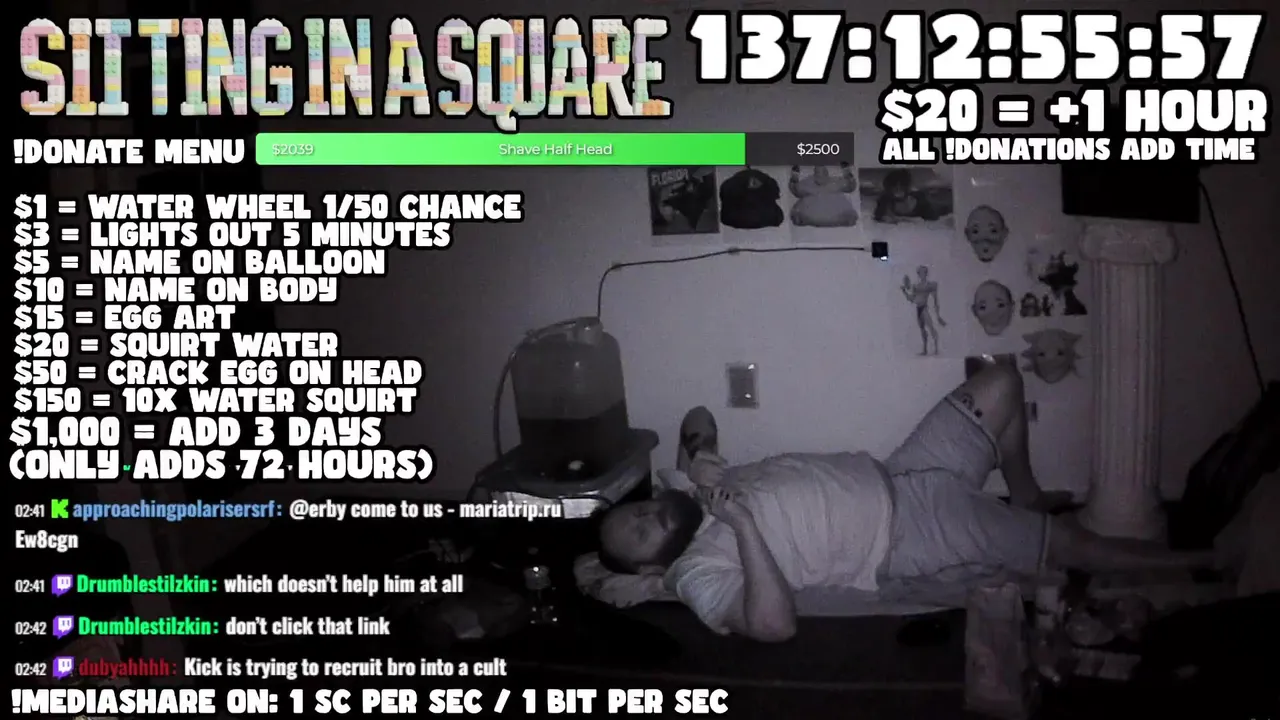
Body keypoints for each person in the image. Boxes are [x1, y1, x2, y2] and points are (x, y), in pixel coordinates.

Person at [595, 362, 1214, 642]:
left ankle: (1024, 494)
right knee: (1072, 545)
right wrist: (741, 524)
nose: (648, 516)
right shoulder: (697, 573)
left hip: (904, 470)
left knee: (1001, 381)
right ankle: (1202, 560)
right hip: (909, 533)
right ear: (652, 566)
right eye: (641, 533)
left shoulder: (686, 493)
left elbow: (697, 414)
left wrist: (699, 458)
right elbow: (773, 626)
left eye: (637, 510)